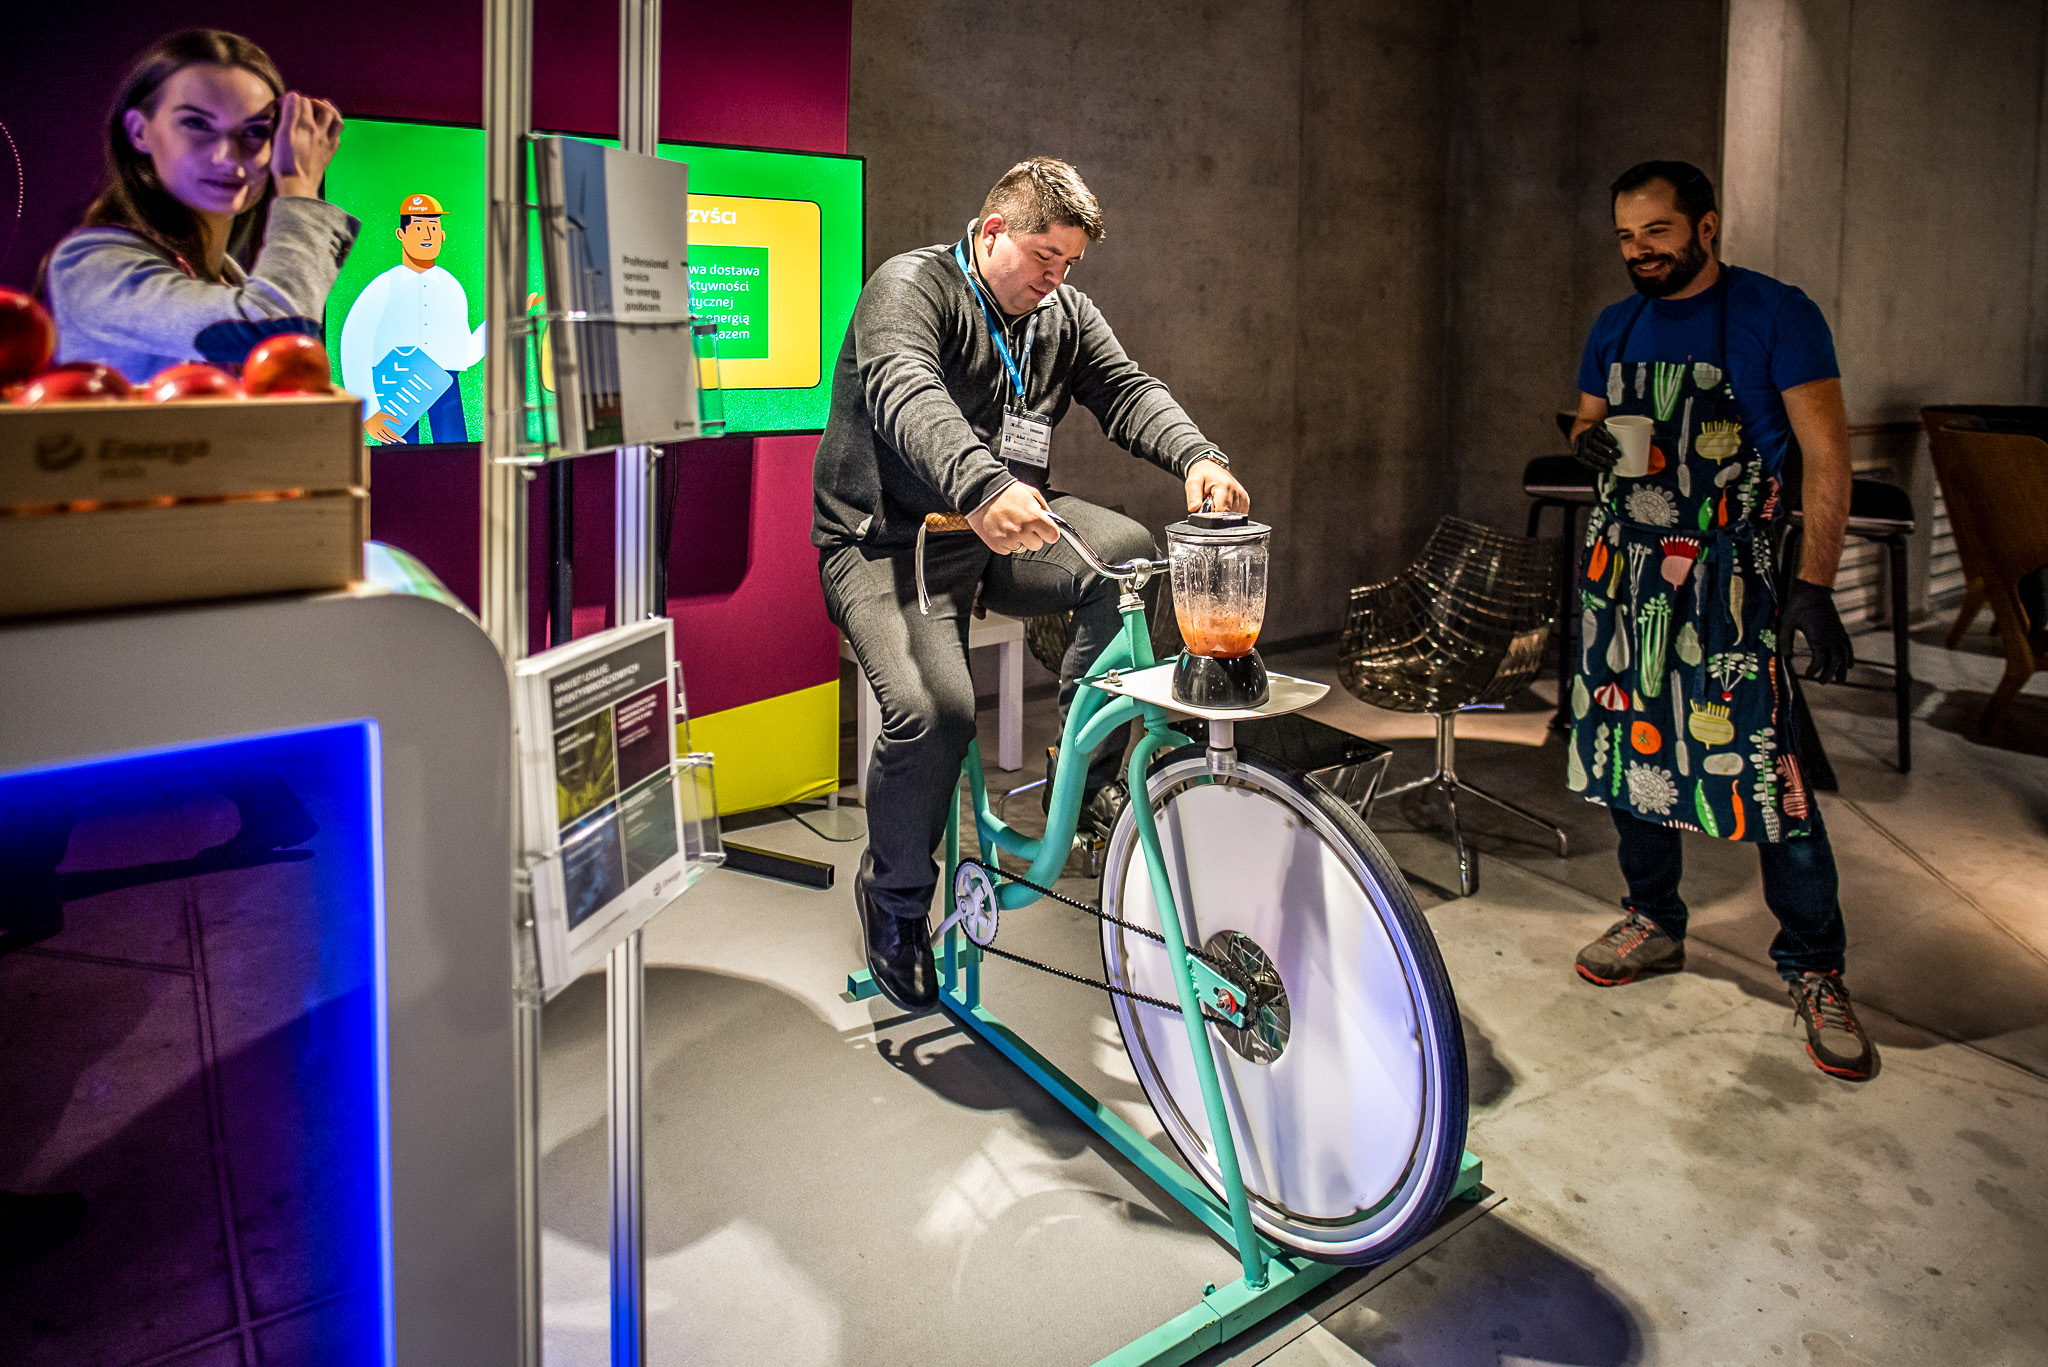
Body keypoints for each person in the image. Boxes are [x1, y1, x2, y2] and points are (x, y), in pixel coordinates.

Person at [815, 157, 1249, 1012]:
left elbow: (1125, 389)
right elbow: (907, 393)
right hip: (890, 542)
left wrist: (1197, 455)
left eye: (1070, 264)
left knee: (1128, 560)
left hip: (1006, 527)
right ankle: (894, 898)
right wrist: (981, 485)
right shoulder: (909, 289)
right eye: (1045, 256)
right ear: (992, 232)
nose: (1056, 278)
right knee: (935, 712)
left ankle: (1078, 780)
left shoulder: (1061, 314)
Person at [1564, 160, 1877, 1081]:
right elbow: (1584, 424)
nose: (1640, 252)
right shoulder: (1615, 324)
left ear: (1706, 227)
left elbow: (1827, 456)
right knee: (1632, 754)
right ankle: (1653, 918)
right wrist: (1589, 440)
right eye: (1627, 237)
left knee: (1771, 771)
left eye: (1657, 232)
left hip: (1733, 578)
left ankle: (1815, 966)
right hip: (1624, 574)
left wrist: (1814, 585)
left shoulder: (1778, 314)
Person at [42, 29, 354, 382]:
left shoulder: (229, 277)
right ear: (139, 131)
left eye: (255, 131)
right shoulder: (92, 264)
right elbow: (279, 337)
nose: (228, 157)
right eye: (197, 124)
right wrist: (298, 185)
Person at [338, 192, 486, 444]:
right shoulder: (383, 285)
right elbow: (353, 345)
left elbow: (466, 352)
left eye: (433, 227)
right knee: (400, 458)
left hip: (445, 385)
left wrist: (503, 322)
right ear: (401, 234)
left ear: (442, 235)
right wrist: (369, 409)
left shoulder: (451, 287)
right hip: (397, 385)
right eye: (418, 227)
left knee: (456, 454)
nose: (427, 235)